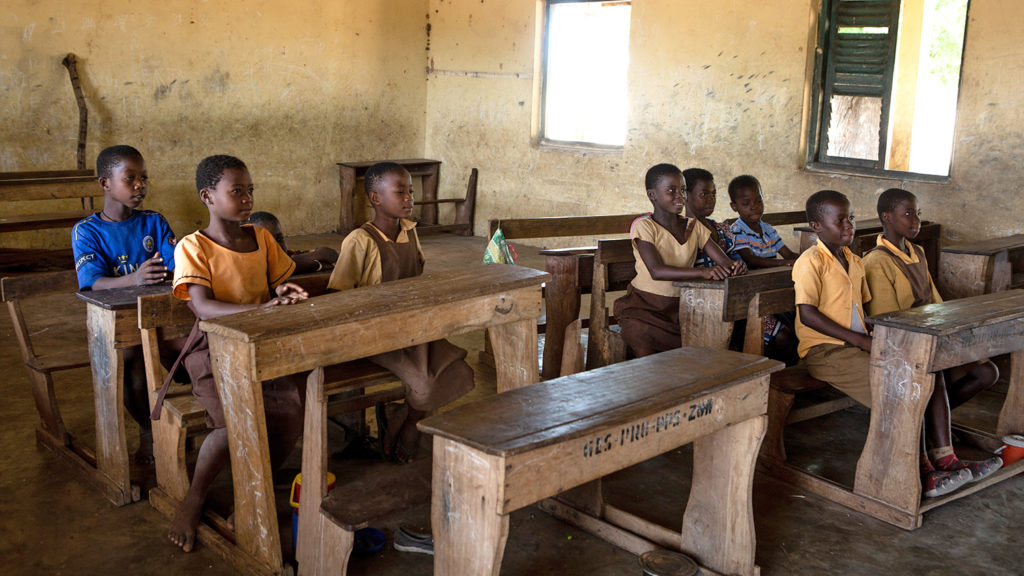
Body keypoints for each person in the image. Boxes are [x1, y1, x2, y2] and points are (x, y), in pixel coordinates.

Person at [164, 155, 309, 552]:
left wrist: (281, 294)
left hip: (260, 341)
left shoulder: (260, 237)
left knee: (288, 414)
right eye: (237, 191)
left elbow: (274, 283)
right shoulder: (193, 246)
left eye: (250, 191)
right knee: (229, 423)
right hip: (212, 345)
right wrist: (259, 310)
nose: (247, 199)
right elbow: (202, 307)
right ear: (208, 196)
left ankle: (249, 487)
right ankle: (193, 499)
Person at [793, 190, 973, 498]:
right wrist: (861, 341)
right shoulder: (811, 261)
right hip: (824, 352)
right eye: (840, 220)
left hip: (854, 347)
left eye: (850, 217)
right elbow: (808, 315)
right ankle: (920, 473)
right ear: (816, 227)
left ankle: (940, 459)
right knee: (897, 391)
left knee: (915, 377)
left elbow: (861, 311)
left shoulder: (853, 260)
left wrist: (877, 341)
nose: (848, 225)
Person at [327, 162, 474, 465]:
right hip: (373, 334)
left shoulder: (409, 232)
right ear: (376, 198)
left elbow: (416, 278)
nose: (409, 197)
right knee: (425, 382)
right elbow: (337, 297)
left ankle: (400, 415)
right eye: (400, 191)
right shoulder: (360, 240)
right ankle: (408, 425)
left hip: (412, 327)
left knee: (456, 369)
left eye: (411, 190)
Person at [863, 188, 1001, 489]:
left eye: (918, 214)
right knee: (931, 375)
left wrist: (958, 340)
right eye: (908, 214)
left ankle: (928, 423)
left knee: (986, 371)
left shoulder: (919, 253)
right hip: (904, 342)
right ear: (887, 217)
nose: (916, 221)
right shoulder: (875, 261)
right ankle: (941, 452)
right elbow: (889, 320)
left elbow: (936, 305)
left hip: (930, 335)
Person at [71, 144, 177, 466]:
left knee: (189, 345)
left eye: (143, 178)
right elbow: (93, 282)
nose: (139, 185)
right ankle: (149, 432)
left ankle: (178, 424)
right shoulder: (87, 231)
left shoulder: (154, 222)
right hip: (116, 321)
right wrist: (135, 278)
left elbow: (175, 266)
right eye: (130, 178)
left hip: (158, 313)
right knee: (131, 354)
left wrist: (169, 271)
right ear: (105, 183)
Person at [613, 164, 746, 358]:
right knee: (640, 336)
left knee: (696, 350)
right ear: (652, 195)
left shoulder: (695, 227)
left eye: (683, 190)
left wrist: (735, 267)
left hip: (680, 310)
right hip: (643, 308)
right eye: (671, 191)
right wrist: (702, 272)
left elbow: (724, 262)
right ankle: (650, 386)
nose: (680, 196)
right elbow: (656, 271)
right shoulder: (644, 226)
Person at [728, 174, 800, 364]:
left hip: (773, 293)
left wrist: (810, 258)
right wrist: (782, 264)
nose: (754, 206)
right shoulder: (736, 230)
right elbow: (751, 260)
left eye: (758, 200)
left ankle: (783, 373)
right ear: (734, 207)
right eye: (746, 203)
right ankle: (770, 370)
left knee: (798, 329)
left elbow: (788, 254)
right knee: (782, 336)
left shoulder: (767, 229)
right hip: (751, 300)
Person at [246, 211, 338, 274]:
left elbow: (331, 254)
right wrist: (315, 263)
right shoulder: (250, 266)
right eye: (266, 242)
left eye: (279, 239)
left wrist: (296, 260)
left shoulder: (289, 254)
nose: (276, 246)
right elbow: (274, 269)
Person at [682, 167, 738, 268]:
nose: (711, 199)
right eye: (704, 194)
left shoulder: (721, 229)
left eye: (713, 193)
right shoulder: (681, 231)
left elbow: (734, 260)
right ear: (685, 195)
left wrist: (739, 266)